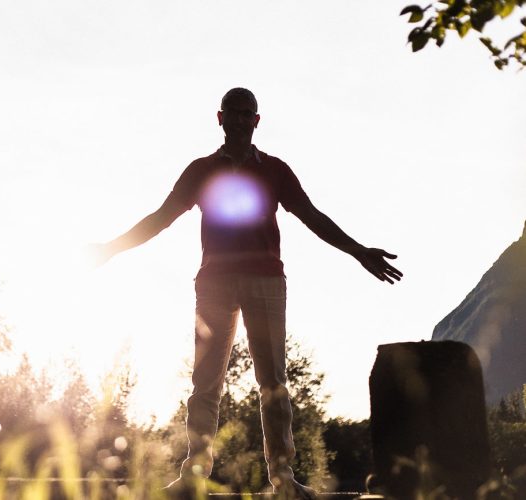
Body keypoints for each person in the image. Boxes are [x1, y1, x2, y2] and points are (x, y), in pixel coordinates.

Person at [91, 88, 402, 498]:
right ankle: (194, 478)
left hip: (266, 282)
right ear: (220, 119)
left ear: (257, 121)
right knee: (205, 383)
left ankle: (284, 481)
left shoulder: (275, 170)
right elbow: (162, 217)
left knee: (273, 382)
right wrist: (112, 248)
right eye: (232, 113)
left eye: (246, 114)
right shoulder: (201, 170)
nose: (239, 120)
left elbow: (311, 215)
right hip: (214, 283)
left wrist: (358, 250)